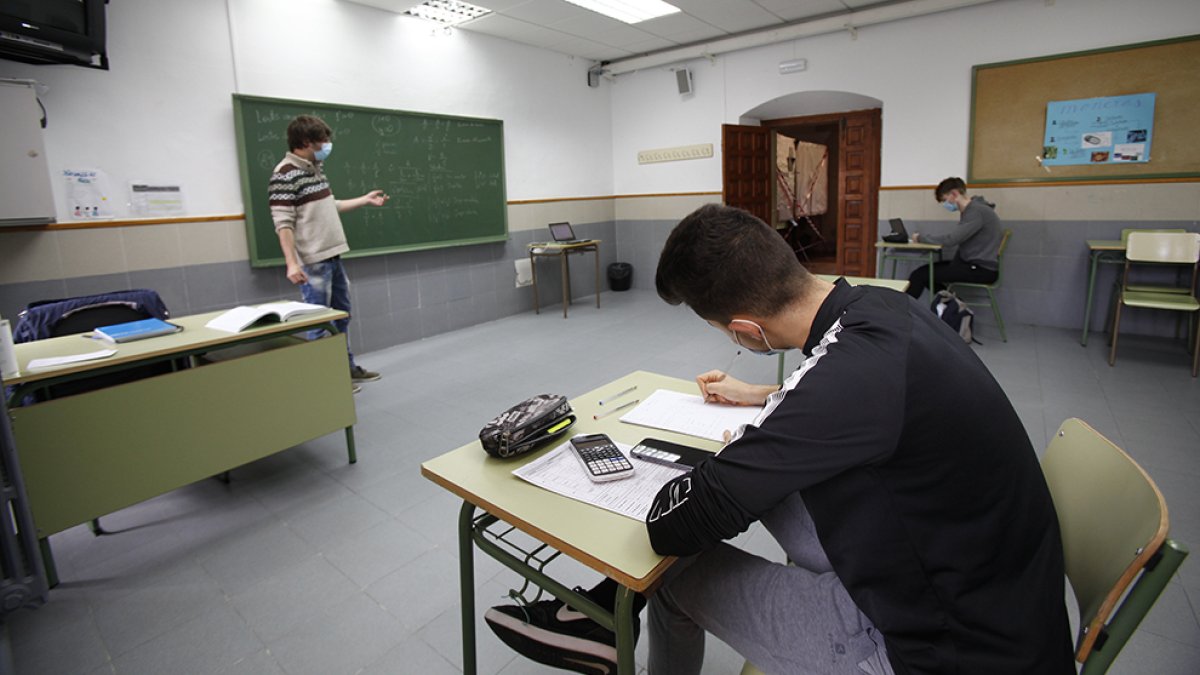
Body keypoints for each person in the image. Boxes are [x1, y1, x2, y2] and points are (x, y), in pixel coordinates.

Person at [485, 204, 1073, 675]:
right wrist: (767, 398)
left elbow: (678, 522)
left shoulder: (847, 379)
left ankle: (601, 626)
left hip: (936, 646)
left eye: (724, 333)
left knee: (671, 570)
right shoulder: (880, 309)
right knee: (754, 473)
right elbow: (856, 401)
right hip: (990, 589)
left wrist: (677, 484)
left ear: (743, 328)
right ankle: (589, 625)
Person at [269, 115, 389, 389]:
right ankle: (328, 380)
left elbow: (328, 205)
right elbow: (283, 222)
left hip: (333, 255)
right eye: (322, 141)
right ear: (305, 142)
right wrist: (291, 263)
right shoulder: (284, 174)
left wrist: (365, 200)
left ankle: (345, 369)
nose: (327, 145)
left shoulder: (315, 167)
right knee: (319, 324)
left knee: (341, 316)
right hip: (312, 261)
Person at [906, 176, 1003, 299]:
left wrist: (920, 238)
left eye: (945, 200)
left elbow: (952, 239)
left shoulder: (976, 211)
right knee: (924, 274)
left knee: (920, 275)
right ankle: (954, 305)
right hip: (974, 265)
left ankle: (902, 313)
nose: (945, 205)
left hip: (981, 269)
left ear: (954, 193)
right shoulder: (973, 210)